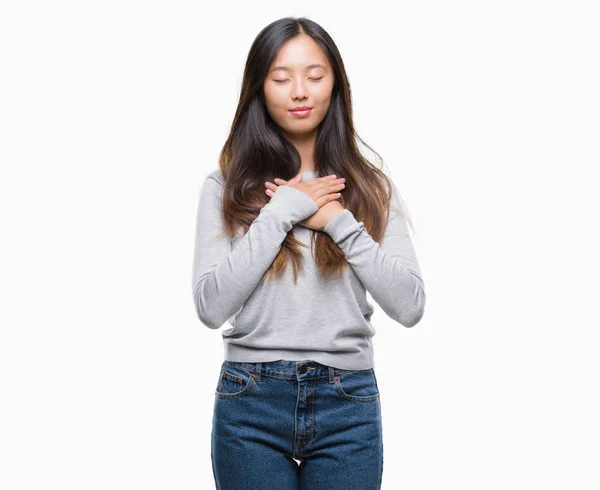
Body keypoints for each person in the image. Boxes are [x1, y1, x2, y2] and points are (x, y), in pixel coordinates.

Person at [191, 16, 426, 490]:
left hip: (348, 402)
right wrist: (281, 213)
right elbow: (211, 306)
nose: (299, 91)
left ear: (336, 83)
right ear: (259, 88)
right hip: (250, 401)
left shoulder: (371, 188)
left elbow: (410, 305)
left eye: (314, 76)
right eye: (281, 78)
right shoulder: (225, 186)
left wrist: (339, 222)